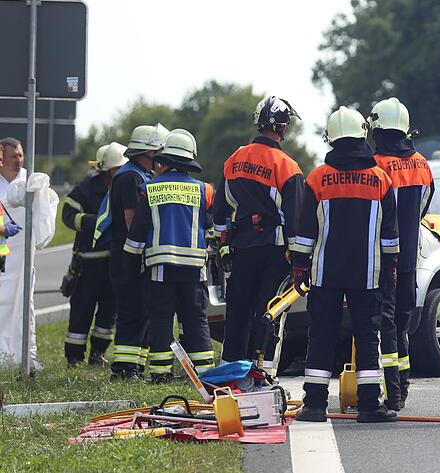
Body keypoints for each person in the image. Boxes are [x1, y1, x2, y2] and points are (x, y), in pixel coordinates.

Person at [292, 107, 399, 423]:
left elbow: (304, 232)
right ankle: (369, 405)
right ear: (361, 134)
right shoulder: (380, 179)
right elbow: (390, 235)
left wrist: (300, 267)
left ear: (331, 139)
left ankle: (313, 404)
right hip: (368, 274)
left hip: (325, 273)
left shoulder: (318, 178)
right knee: (367, 336)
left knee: (321, 334)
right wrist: (390, 269)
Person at [214, 96, 304, 372]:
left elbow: (220, 209)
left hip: (241, 246)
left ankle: (230, 367)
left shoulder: (235, 159)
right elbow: (295, 220)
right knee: (268, 310)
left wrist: (224, 242)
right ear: (282, 127)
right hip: (274, 249)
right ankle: (260, 370)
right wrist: (298, 259)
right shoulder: (287, 166)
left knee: (238, 309)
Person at [123, 130, 215, 382]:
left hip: (160, 269)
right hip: (195, 270)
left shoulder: (149, 189)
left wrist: (129, 266)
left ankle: (161, 374)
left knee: (161, 321)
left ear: (164, 161)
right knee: (195, 321)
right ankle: (206, 375)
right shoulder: (204, 191)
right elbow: (210, 228)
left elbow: (137, 233)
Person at [370, 97, 434, 410]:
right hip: (410, 258)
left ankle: (392, 395)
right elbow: (423, 208)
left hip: (383, 261)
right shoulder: (423, 164)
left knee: (387, 329)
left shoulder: (378, 165)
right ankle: (402, 389)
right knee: (401, 324)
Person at [96, 124, 169, 378]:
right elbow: (131, 220)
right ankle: (124, 369)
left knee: (140, 313)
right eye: (158, 152)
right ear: (146, 152)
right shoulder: (131, 178)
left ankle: (134, 366)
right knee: (131, 312)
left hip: (133, 256)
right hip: (129, 257)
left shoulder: (139, 174)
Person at [61, 142, 126, 367]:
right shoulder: (86, 188)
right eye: (117, 169)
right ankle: (74, 357)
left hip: (113, 263)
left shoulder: (123, 186)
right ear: (107, 169)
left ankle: (98, 354)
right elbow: (68, 214)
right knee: (81, 311)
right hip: (88, 264)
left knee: (109, 312)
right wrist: (96, 222)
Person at [0, 137, 58, 368]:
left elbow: (46, 211)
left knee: (24, 306)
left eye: (21, 155)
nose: (18, 161)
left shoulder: (30, 182)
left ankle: (23, 356)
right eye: (13, 156)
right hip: (4, 253)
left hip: (22, 258)